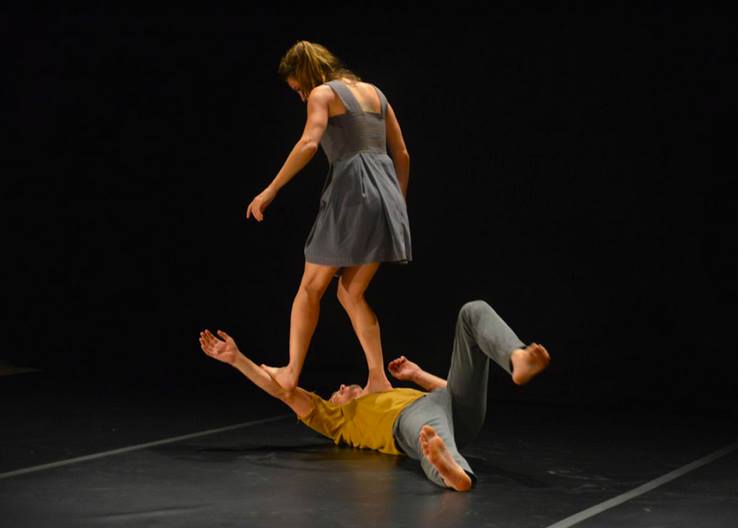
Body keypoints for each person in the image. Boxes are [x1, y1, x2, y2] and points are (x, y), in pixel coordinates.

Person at [198, 300, 551, 492]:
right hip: (411, 419)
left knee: (472, 312)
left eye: (340, 387)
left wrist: (417, 375)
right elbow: (281, 390)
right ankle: (453, 473)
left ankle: (516, 358)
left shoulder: (380, 384)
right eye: (335, 393)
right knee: (428, 434)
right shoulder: (335, 421)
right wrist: (237, 359)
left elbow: (449, 391)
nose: (340, 388)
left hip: (453, 408)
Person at [244, 40, 412, 397]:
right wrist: (397, 203)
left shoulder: (323, 94)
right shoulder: (376, 93)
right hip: (387, 198)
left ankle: (290, 372)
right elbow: (402, 153)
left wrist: (270, 190)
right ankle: (378, 378)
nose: (301, 97)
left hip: (352, 196)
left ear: (307, 77)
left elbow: (308, 143)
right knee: (351, 292)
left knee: (310, 288)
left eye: (298, 89)